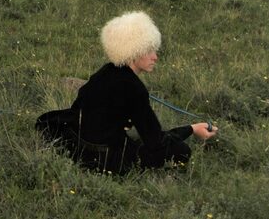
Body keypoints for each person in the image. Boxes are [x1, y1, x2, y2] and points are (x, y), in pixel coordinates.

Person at [37, 10, 216, 173]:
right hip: (106, 159)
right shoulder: (135, 89)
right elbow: (156, 142)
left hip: (77, 146)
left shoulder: (105, 71)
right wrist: (192, 129)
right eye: (149, 51)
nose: (155, 56)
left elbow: (80, 110)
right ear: (133, 52)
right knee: (181, 151)